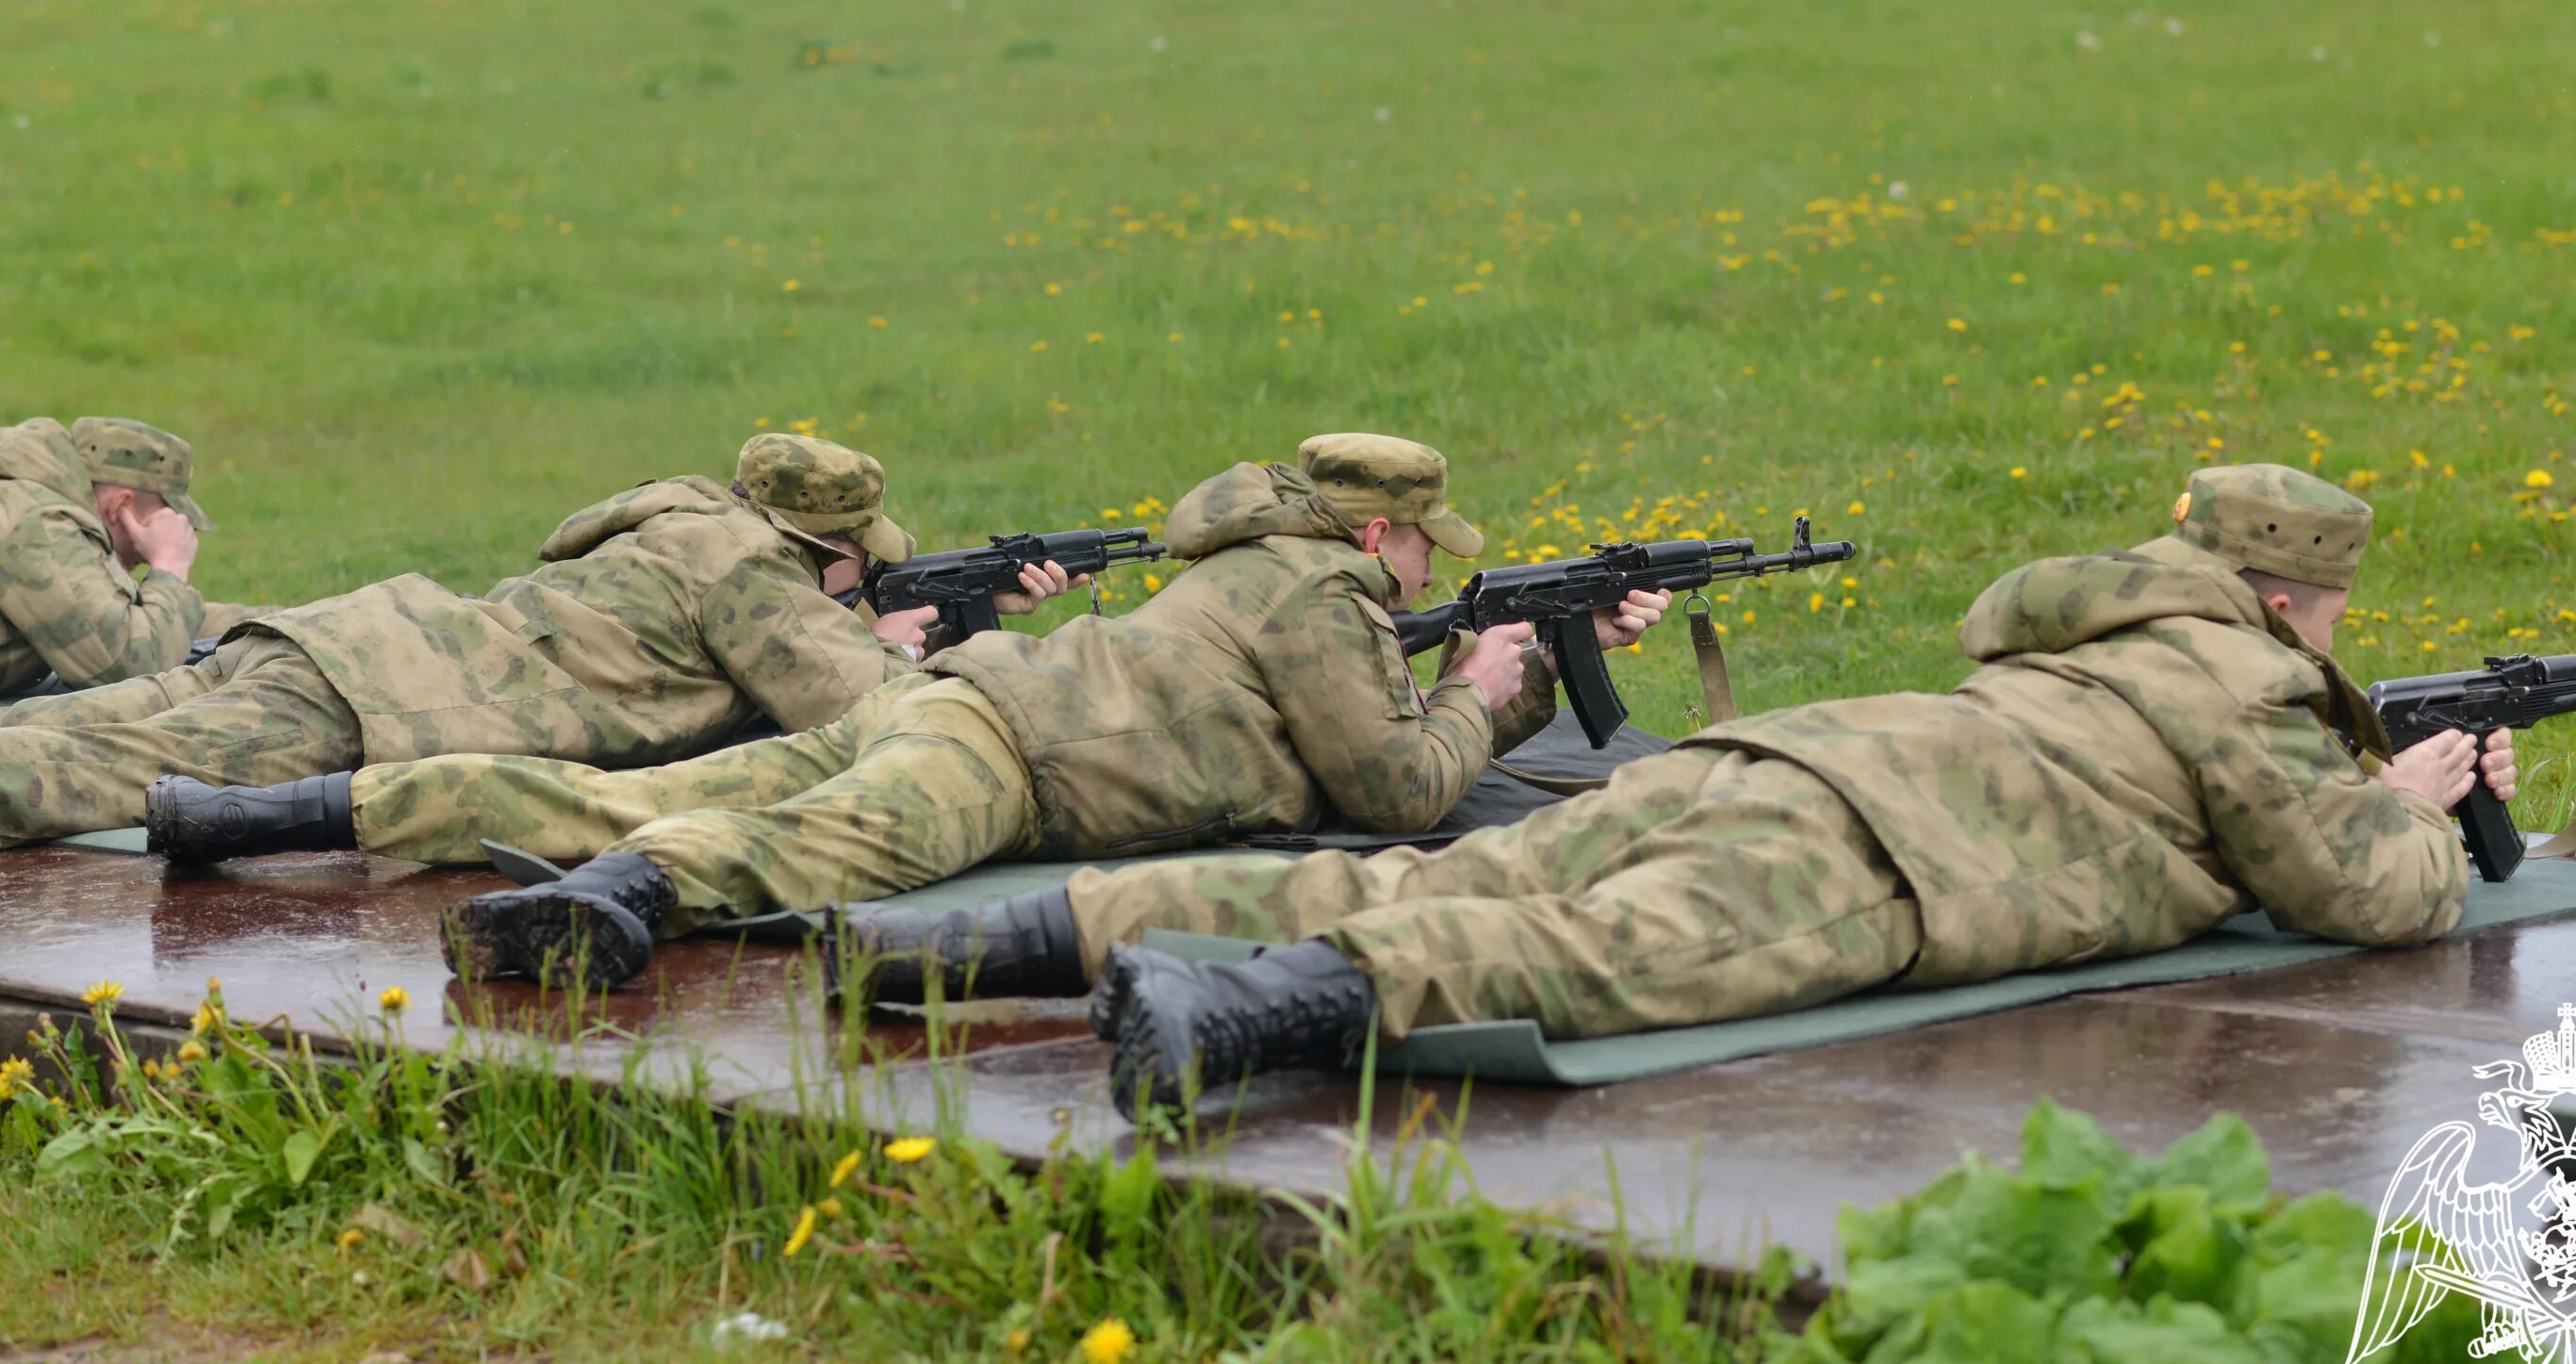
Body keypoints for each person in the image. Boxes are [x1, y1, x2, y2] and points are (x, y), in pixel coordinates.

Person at [861, 463, 2516, 1122]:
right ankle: (1252, 1019)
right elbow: (2352, 891)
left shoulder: (2108, 622)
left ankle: (998, 943)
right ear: (2299, 599)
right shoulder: (2252, 673)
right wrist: (2422, 803)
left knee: (1426, 881)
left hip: (1796, 754)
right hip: (1900, 855)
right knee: (1590, 954)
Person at [428, 434, 1671, 992]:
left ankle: (273, 812)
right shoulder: (1316, 588)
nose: (1421, 571)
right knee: (818, 847)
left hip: (970, 707)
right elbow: (1397, 786)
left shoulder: (1263, 567)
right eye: (1420, 547)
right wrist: (1475, 693)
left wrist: (1515, 680)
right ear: (1383, 531)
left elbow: (1356, 723)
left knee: (636, 792)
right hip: (1013, 753)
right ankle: (616, 900)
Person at [0, 434, 968, 846]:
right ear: (818, 545)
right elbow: (874, 711)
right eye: (856, 557)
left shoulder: (686, 520)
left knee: (89, 727)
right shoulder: (753, 574)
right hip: (373, 700)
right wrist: (897, 642)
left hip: (339, 640)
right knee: (83, 776)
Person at [0, 418, 273, 705]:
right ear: (119, 506)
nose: (143, 557)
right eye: (158, 524)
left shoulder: (31, 499)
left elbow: (129, 617)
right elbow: (129, 673)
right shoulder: (39, 526)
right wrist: (170, 565)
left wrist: (281, 619)